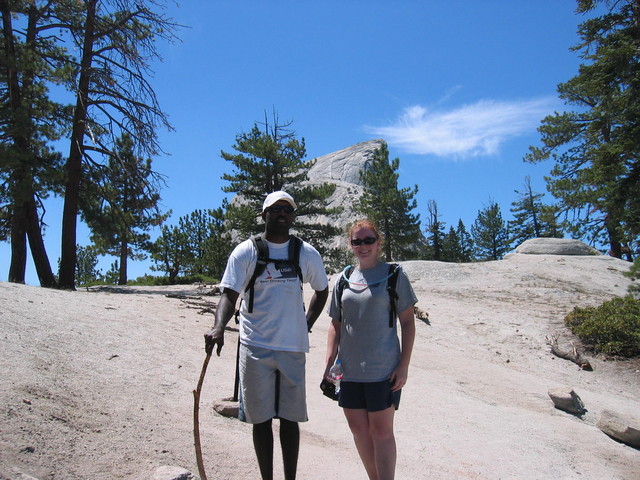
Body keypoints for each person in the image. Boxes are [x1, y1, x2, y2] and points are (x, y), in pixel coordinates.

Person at [205, 190, 329, 480]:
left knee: (290, 419)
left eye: (287, 209)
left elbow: (322, 290)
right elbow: (229, 294)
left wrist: (306, 323)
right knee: (260, 419)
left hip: (292, 347)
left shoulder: (305, 253)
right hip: (255, 345)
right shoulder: (246, 251)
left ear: (293, 216)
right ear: (264, 215)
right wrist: (218, 326)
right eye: (276, 209)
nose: (282, 214)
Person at [324, 219, 417, 480]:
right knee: (358, 430)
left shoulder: (394, 274)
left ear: (378, 243)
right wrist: (329, 362)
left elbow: (408, 323)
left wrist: (404, 365)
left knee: (382, 431)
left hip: (382, 370)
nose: (363, 246)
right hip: (349, 371)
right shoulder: (344, 279)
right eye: (357, 241)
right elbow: (335, 324)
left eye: (368, 240)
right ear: (350, 244)